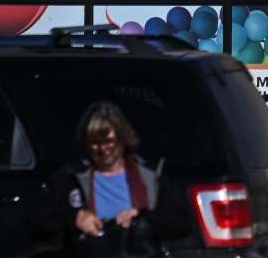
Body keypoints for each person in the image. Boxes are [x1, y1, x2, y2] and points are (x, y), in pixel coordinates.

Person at [29, 101, 192, 257]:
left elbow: (182, 225)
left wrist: (141, 218)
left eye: (109, 142)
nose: (103, 149)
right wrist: (74, 218)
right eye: (95, 143)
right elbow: (35, 222)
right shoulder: (69, 178)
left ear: (123, 140)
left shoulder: (149, 177)